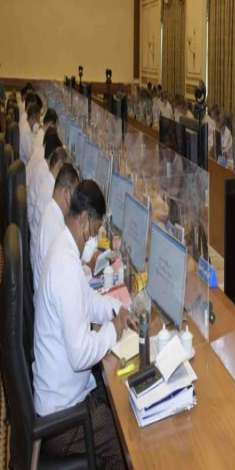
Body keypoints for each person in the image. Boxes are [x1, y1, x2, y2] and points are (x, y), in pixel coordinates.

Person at [33, 179, 132, 468]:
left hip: (64, 397)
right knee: (125, 443)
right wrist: (113, 331)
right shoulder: (64, 265)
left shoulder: (63, 250)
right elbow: (80, 356)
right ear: (86, 221)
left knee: (115, 405)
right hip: (62, 421)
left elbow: (87, 300)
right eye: (97, 229)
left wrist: (117, 310)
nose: (95, 237)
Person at [33, 163, 79, 291]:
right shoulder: (54, 225)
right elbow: (63, 278)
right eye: (75, 196)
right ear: (66, 193)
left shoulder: (52, 211)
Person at [29, 135, 66, 245]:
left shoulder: (48, 180)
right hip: (38, 243)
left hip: (36, 235)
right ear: (59, 165)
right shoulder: (50, 191)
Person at [20, 91, 43, 164]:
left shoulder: (28, 126)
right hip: (25, 164)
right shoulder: (26, 131)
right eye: (38, 120)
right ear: (33, 118)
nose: (38, 122)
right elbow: (30, 157)